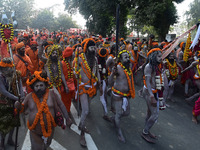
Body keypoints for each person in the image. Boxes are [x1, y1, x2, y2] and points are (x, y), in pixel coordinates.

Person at [15, 71, 72, 150]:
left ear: (45, 85)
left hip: (50, 130)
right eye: (36, 86)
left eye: (41, 85)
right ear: (33, 87)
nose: (39, 88)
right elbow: (22, 108)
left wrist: (67, 118)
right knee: (37, 148)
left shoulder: (52, 94)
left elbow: (61, 105)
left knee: (46, 146)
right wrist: (18, 106)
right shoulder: (29, 97)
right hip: (35, 132)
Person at [74, 38, 102, 147]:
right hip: (83, 87)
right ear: (87, 48)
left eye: (94, 47)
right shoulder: (80, 58)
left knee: (87, 109)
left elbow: (97, 71)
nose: (93, 49)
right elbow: (75, 69)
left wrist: (99, 82)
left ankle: (81, 124)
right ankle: (82, 133)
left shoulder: (95, 59)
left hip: (92, 87)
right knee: (85, 110)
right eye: (91, 47)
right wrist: (76, 74)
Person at [108, 49, 135, 143]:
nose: (127, 59)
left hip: (126, 95)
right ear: (120, 59)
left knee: (126, 113)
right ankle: (119, 132)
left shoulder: (129, 67)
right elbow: (110, 82)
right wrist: (112, 73)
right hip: (117, 94)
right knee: (119, 114)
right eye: (125, 57)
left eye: (128, 57)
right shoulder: (118, 67)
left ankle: (114, 118)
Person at [0, 57, 24, 150]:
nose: (7, 70)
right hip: (4, 103)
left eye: (9, 68)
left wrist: (22, 95)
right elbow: (3, 91)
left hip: (15, 103)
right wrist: (16, 98)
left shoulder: (16, 74)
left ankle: (10, 139)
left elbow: (20, 86)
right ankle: (2, 142)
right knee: (3, 125)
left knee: (14, 123)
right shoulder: (0, 76)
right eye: (5, 69)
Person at [141, 48, 163, 143]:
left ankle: (147, 130)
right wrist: (151, 96)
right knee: (155, 115)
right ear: (153, 56)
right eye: (159, 56)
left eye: (161, 56)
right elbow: (148, 82)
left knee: (150, 113)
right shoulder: (148, 67)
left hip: (154, 92)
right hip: (149, 92)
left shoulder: (156, 66)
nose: (161, 58)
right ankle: (145, 132)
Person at [181, 52, 200, 124]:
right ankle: (194, 116)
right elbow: (189, 67)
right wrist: (183, 71)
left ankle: (189, 99)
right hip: (198, 80)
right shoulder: (197, 62)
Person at [61, 47, 76, 113]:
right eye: (72, 55)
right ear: (69, 56)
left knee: (68, 100)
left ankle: (67, 111)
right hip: (65, 86)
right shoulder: (62, 64)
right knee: (65, 101)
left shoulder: (70, 63)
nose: (73, 56)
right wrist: (65, 86)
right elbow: (61, 76)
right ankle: (65, 113)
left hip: (71, 86)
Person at [97, 47, 111, 121]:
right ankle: (105, 114)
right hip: (99, 81)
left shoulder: (103, 61)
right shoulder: (97, 61)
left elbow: (104, 72)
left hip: (102, 80)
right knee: (102, 97)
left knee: (104, 96)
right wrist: (100, 84)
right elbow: (99, 73)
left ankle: (105, 113)